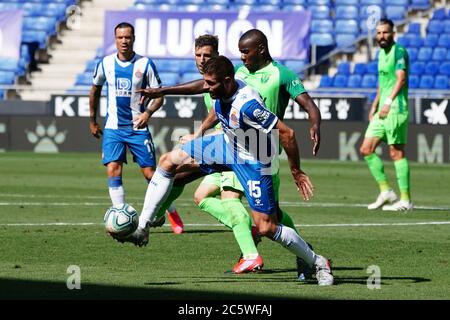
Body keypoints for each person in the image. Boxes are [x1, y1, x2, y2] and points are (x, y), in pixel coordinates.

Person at [118, 55, 334, 286]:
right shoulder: (220, 88)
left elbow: (288, 134)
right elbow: (205, 91)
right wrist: (163, 91)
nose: (206, 87)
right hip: (227, 144)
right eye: (206, 82)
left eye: (211, 84)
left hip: (254, 161)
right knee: (168, 161)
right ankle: (143, 227)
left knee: (267, 226)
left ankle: (318, 262)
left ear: (228, 81)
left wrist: (296, 171)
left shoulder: (248, 106)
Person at [89, 22, 185, 234]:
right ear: (115, 39)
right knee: (113, 169)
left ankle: (170, 209)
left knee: (151, 174)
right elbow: (94, 91)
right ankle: (119, 215)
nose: (124, 41)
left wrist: (147, 113)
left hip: (137, 128)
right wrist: (92, 120)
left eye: (128, 37)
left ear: (133, 39)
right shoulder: (105, 63)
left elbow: (159, 95)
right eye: (120, 37)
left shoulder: (145, 64)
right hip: (113, 128)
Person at [359, 18, 413, 211]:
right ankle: (386, 191)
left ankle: (405, 200)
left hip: (396, 109)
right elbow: (383, 83)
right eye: (379, 32)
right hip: (382, 110)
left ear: (393, 33)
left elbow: (401, 78)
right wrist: (375, 105)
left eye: (385, 32)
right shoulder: (381, 53)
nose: (382, 36)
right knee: (366, 149)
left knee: (396, 153)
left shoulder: (399, 51)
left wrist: (388, 103)